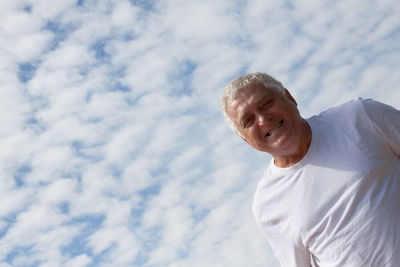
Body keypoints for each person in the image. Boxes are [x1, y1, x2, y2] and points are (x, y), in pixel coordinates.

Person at [221, 72, 400, 266]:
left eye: (266, 104)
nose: (263, 120)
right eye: (248, 120)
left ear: (289, 97)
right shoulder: (266, 205)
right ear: (246, 140)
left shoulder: (359, 116)